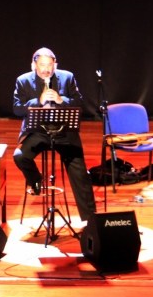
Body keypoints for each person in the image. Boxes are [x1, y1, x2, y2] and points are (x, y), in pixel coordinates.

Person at [13, 47, 96, 225]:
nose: (46, 69)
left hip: (64, 131)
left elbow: (80, 103)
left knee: (80, 173)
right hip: (38, 131)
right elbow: (17, 108)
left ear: (55, 65)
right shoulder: (23, 80)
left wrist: (61, 100)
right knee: (20, 156)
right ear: (34, 65)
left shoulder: (67, 77)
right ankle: (36, 180)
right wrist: (38, 101)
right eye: (42, 65)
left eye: (50, 65)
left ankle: (91, 220)